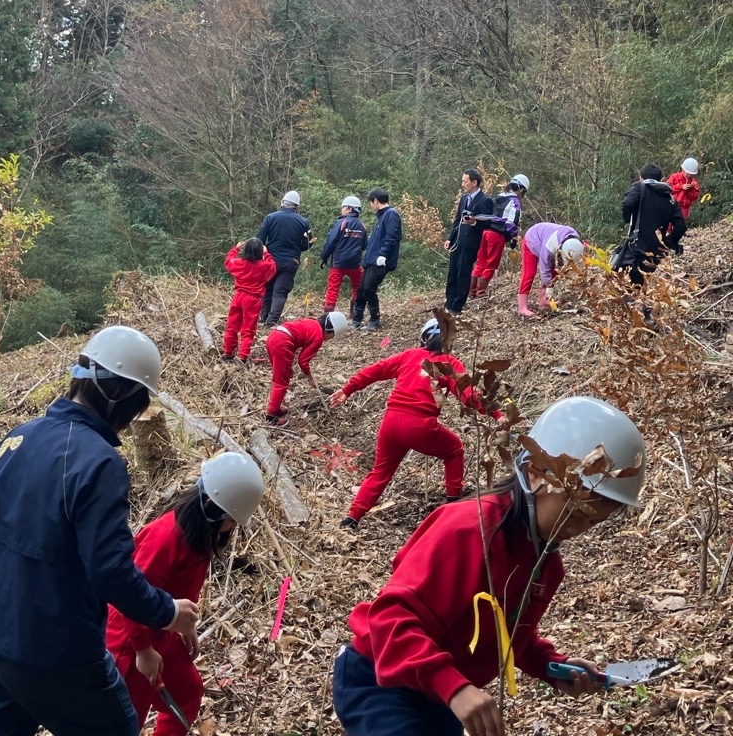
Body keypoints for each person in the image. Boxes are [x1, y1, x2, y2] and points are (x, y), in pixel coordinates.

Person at [332, 395, 647, 736]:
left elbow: (509, 633)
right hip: (381, 680)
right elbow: (389, 618)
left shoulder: (546, 565)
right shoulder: (468, 530)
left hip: (439, 693)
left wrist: (549, 665)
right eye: (574, 513)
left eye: (593, 522)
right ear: (536, 472)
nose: (578, 529)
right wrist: (454, 687)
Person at [0, 326, 200, 736]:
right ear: (125, 397)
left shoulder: (17, 438)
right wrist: (167, 612)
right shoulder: (99, 461)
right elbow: (110, 570)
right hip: (54, 653)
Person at [107, 451, 264, 736]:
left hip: (163, 629)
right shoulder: (166, 537)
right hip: (132, 639)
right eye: (231, 520)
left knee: (187, 693)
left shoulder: (200, 537)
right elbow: (130, 594)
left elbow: (183, 587)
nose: (231, 527)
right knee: (125, 721)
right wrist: (143, 650)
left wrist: (186, 622)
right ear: (212, 507)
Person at [330, 318, 504, 530]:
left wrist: (347, 389)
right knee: (454, 450)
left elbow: (376, 370)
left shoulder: (409, 355)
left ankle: (352, 518)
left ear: (424, 338)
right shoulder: (449, 363)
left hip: (391, 422)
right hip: (419, 425)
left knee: (380, 472)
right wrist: (497, 414)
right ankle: (452, 504)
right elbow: (468, 396)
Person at [265, 311, 349, 425]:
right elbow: (303, 361)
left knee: (281, 376)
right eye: (332, 336)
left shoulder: (313, 323)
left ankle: (275, 406)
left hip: (275, 335)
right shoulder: (318, 337)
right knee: (281, 381)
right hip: (282, 342)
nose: (330, 338)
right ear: (329, 331)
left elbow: (296, 337)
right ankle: (271, 416)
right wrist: (310, 378)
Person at [620, 163, 686, 288]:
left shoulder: (639, 187)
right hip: (656, 252)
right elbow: (681, 226)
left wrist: (628, 219)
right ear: (661, 179)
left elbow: (627, 204)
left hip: (636, 247)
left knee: (622, 283)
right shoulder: (670, 199)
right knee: (645, 285)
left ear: (641, 178)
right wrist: (668, 242)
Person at [257, 190, 314, 326]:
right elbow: (309, 243)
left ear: (283, 202)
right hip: (291, 261)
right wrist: (296, 248)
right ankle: (271, 321)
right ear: (296, 206)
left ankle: (265, 317)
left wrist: (262, 255)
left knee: (268, 289)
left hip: (270, 260)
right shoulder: (303, 222)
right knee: (280, 292)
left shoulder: (270, 218)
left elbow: (260, 240)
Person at [351, 188, 403, 333]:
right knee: (362, 289)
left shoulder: (391, 214)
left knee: (369, 288)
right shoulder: (382, 216)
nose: (370, 205)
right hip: (371, 260)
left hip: (380, 261)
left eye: (370, 202)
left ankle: (375, 319)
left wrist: (383, 255)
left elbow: (391, 237)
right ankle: (357, 319)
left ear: (375, 201)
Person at [470, 174, 529, 298]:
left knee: (481, 262)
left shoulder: (497, 197)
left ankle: (472, 291)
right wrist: (513, 237)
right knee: (491, 263)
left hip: (484, 231)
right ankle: (481, 292)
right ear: (522, 189)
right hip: (497, 235)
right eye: (524, 193)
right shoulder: (514, 201)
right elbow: (512, 222)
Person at [443, 169, 494, 315]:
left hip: (471, 243)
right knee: (453, 272)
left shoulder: (485, 201)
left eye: (465, 181)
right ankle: (449, 302)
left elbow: (488, 223)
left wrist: (474, 222)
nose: (463, 184)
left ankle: (457, 306)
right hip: (457, 241)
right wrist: (450, 238)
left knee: (463, 274)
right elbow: (457, 220)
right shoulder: (464, 198)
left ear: (474, 182)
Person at [221, 238, 277, 363]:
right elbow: (273, 266)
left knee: (232, 325)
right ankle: (242, 356)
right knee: (248, 329)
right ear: (260, 251)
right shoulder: (264, 266)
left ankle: (228, 353)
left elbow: (229, 261)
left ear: (245, 250)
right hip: (253, 300)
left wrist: (236, 249)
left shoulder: (239, 263)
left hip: (238, 297)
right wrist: (266, 253)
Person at [518, 222, 585, 318]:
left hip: (547, 241)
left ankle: (543, 301)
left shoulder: (575, 241)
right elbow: (544, 266)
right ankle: (522, 307)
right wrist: (549, 286)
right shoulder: (550, 245)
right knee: (529, 273)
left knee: (554, 271)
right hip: (532, 240)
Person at [321, 196, 368, 315]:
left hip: (338, 262)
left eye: (343, 207)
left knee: (333, 288)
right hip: (355, 262)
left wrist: (324, 257)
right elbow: (364, 245)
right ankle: (355, 313)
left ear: (349, 208)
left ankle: (328, 315)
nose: (341, 210)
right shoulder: (362, 225)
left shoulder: (341, 223)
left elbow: (331, 242)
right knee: (358, 286)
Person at [666, 158, 701, 222]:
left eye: (691, 174)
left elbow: (695, 197)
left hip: (684, 207)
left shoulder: (693, 183)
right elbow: (667, 188)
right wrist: (681, 187)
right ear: (683, 169)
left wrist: (690, 189)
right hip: (672, 205)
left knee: (681, 223)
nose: (689, 175)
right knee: (669, 223)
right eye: (687, 173)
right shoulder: (675, 177)